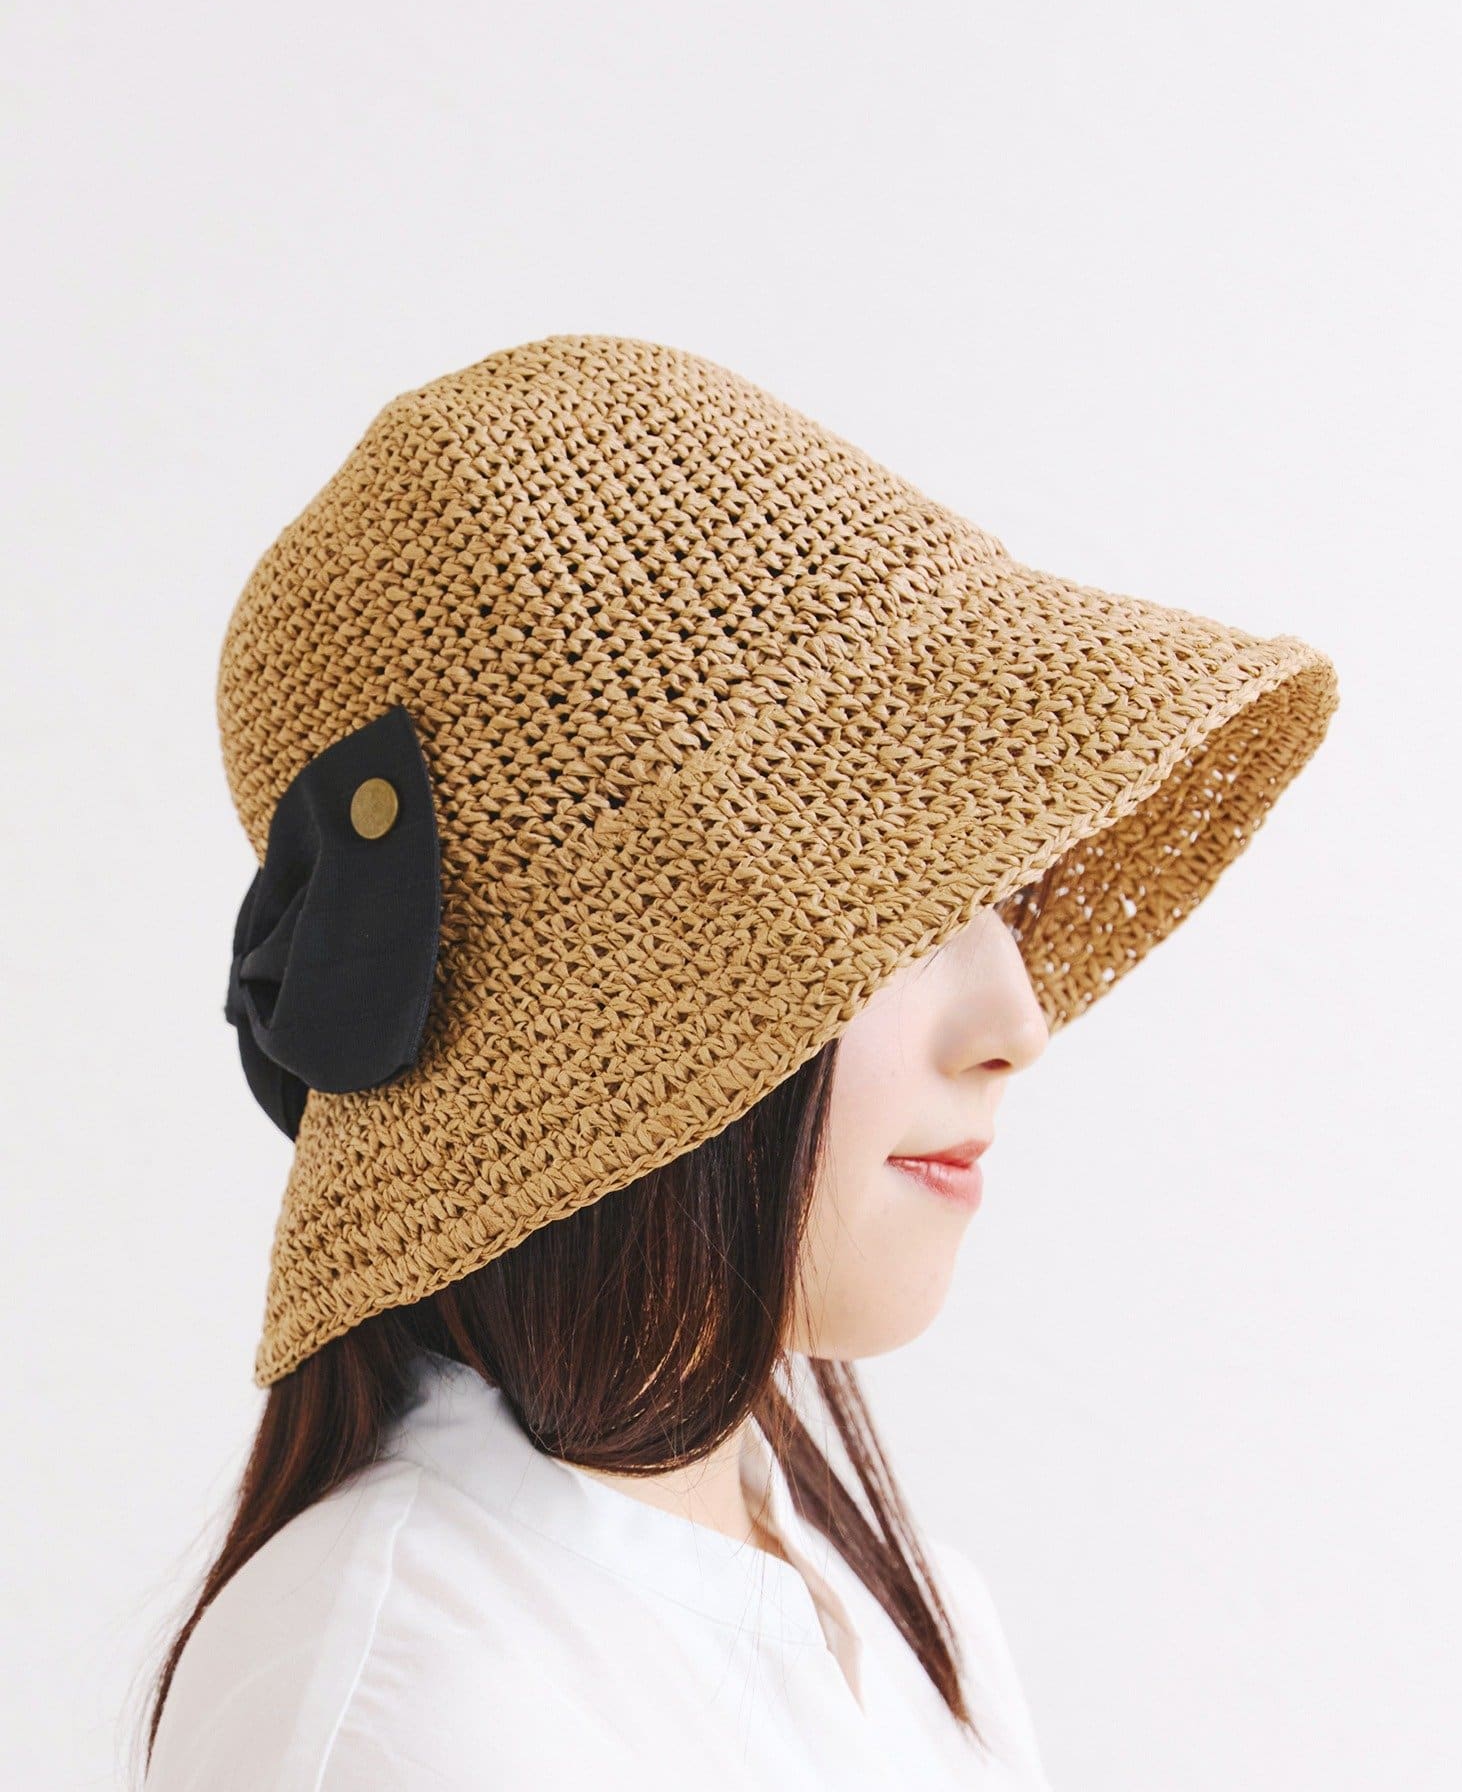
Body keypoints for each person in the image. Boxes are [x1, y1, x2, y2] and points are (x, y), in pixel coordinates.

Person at [135, 334, 1339, 1789]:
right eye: (903, 904)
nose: (1018, 1023)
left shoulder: (895, 1607)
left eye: (1001, 890)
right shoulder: (411, 1702)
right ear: (621, 1007)